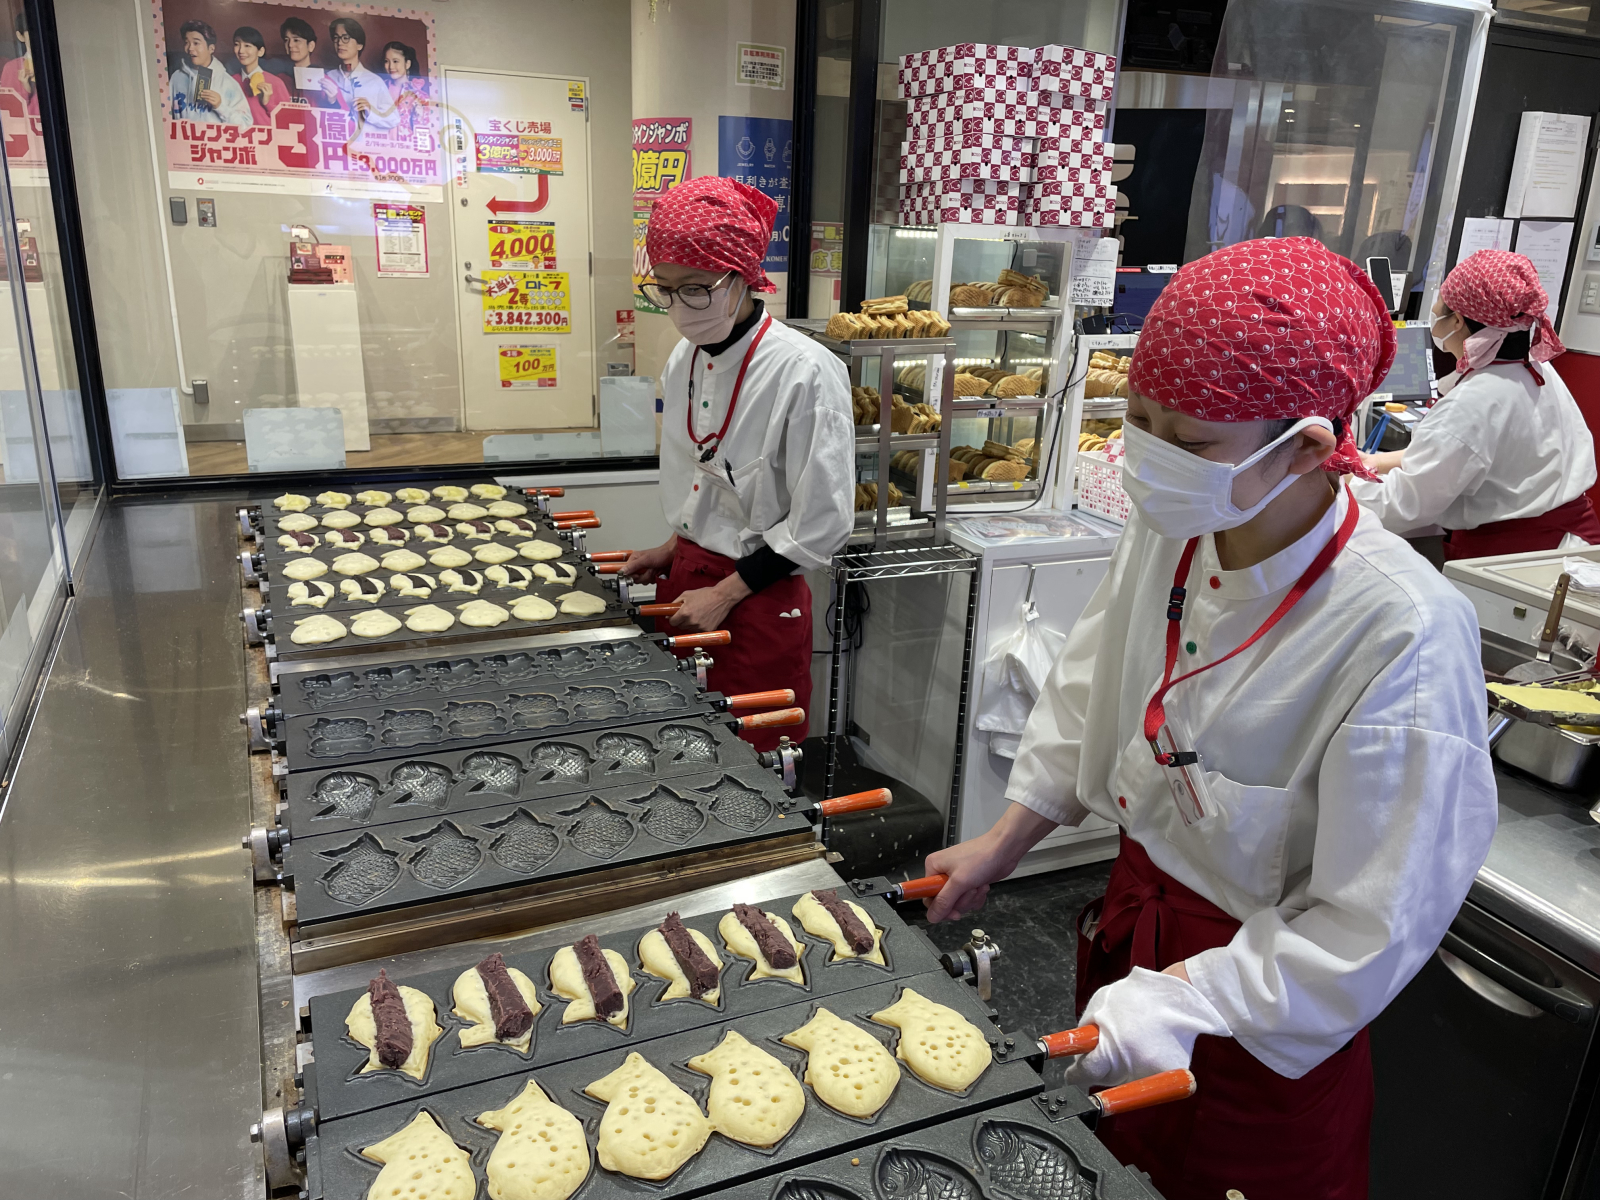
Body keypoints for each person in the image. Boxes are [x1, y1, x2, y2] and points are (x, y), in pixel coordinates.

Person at [923, 237, 1497, 1200]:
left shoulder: (1401, 630)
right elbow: (1092, 681)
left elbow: (1372, 922)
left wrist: (1188, 997)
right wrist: (1005, 839)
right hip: (1130, 940)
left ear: (1306, 446)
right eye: (1138, 421)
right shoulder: (1179, 526)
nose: (1148, 459)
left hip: (1262, 1020)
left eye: (1186, 443)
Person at [622, 177, 854, 753]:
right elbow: (711, 477)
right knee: (681, 745)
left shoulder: (805, 372)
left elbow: (823, 522)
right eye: (665, 288)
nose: (679, 307)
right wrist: (673, 547)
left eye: (696, 288)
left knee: (755, 758)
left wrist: (725, 593)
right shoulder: (685, 358)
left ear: (741, 276)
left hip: (757, 598)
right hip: (687, 581)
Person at [1350, 249, 1599, 558]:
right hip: (1572, 540)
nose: (1434, 311)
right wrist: (1374, 461)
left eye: (1439, 304)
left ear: (1457, 321)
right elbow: (1474, 453)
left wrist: (1342, 482)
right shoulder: (1534, 367)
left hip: (1513, 554)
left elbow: (1403, 505)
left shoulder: (1471, 404)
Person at [320, 17, 398, 131]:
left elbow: (394, 119)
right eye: (336, 38)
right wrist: (330, 102)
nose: (340, 43)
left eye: (345, 38)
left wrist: (370, 111)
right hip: (334, 138)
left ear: (359, 45)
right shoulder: (327, 78)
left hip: (364, 141)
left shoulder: (374, 81)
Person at [169, 20, 250, 127]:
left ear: (211, 48)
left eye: (196, 43)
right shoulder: (177, 77)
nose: (190, 48)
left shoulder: (228, 83)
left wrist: (220, 106)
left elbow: (246, 124)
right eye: (186, 42)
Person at [231, 27, 292, 126]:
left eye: (247, 45)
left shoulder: (276, 83)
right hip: (237, 135)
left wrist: (267, 103)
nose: (241, 50)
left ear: (261, 51)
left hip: (265, 135)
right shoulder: (231, 81)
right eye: (237, 44)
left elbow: (288, 121)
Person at [378, 41, 428, 136]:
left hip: (406, 143)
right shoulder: (379, 89)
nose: (391, 66)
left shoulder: (419, 95)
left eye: (395, 61)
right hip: (379, 142)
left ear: (407, 64)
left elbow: (424, 131)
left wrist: (418, 115)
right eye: (386, 61)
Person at [278, 17, 323, 106]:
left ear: (311, 46)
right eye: (286, 40)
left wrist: (332, 101)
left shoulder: (323, 80)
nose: (290, 45)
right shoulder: (279, 80)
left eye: (296, 40)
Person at [0, 13, 36, 116]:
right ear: (20, 36)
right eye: (31, 31)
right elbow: (7, 108)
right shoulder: (12, 68)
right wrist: (25, 88)